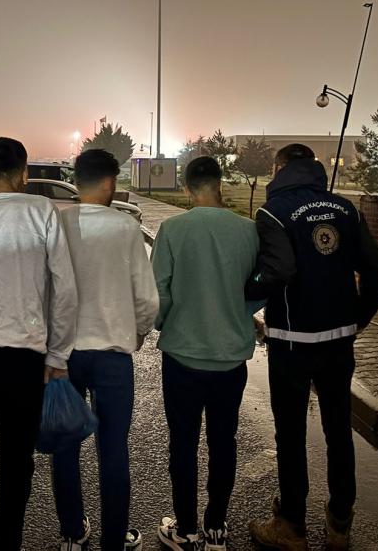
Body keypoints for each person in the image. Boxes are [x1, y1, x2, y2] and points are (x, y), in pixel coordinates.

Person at [246, 144, 378, 551]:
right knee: (338, 429)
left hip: (292, 343)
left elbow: (279, 269)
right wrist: (359, 318)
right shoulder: (345, 209)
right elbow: (376, 270)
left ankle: (292, 525)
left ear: (279, 168)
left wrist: (245, 292)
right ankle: (340, 521)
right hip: (339, 342)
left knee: (291, 434)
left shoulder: (273, 213)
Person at [0, 137, 78, 551]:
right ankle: (8, 542)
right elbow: (65, 289)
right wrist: (58, 355)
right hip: (25, 356)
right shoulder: (44, 212)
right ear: (25, 172)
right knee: (17, 459)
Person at [51, 149, 159, 551]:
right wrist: (140, 332)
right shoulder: (126, 227)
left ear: (76, 181)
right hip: (113, 356)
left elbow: (46, 290)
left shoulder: (58, 224)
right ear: (110, 182)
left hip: (65, 354)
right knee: (113, 448)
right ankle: (114, 538)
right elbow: (146, 298)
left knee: (65, 445)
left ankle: (72, 532)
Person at [152, 156, 260, 551]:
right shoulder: (249, 230)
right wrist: (240, 312)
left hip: (182, 356)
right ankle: (216, 527)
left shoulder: (172, 229)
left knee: (183, 442)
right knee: (223, 440)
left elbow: (158, 292)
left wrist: (165, 323)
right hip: (231, 358)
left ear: (186, 187)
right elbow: (262, 284)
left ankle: (185, 529)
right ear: (220, 183)